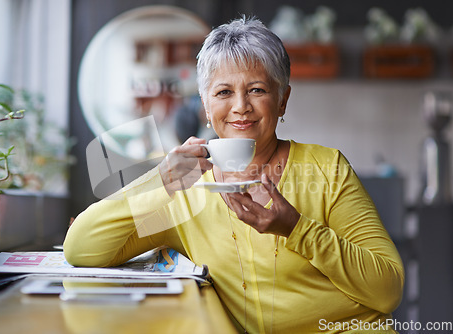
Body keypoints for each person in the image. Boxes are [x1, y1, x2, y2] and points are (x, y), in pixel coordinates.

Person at [64, 16, 404, 333]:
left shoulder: (327, 168)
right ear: (205, 106)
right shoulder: (182, 193)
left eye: (257, 89)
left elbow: (388, 289)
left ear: (283, 100)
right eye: (224, 92)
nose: (241, 106)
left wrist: (296, 229)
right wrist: (161, 180)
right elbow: (81, 248)